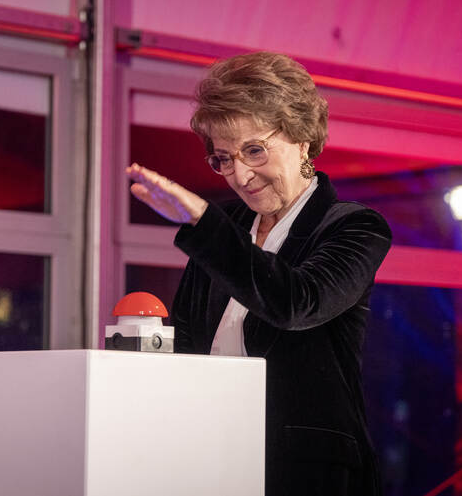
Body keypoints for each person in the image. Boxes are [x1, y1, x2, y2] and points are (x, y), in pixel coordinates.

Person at [126, 51, 391, 496]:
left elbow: (295, 303)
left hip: (306, 474)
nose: (240, 175)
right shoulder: (226, 228)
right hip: (211, 460)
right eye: (223, 159)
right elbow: (189, 345)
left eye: (254, 150)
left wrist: (203, 223)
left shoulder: (354, 226)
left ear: (302, 139)